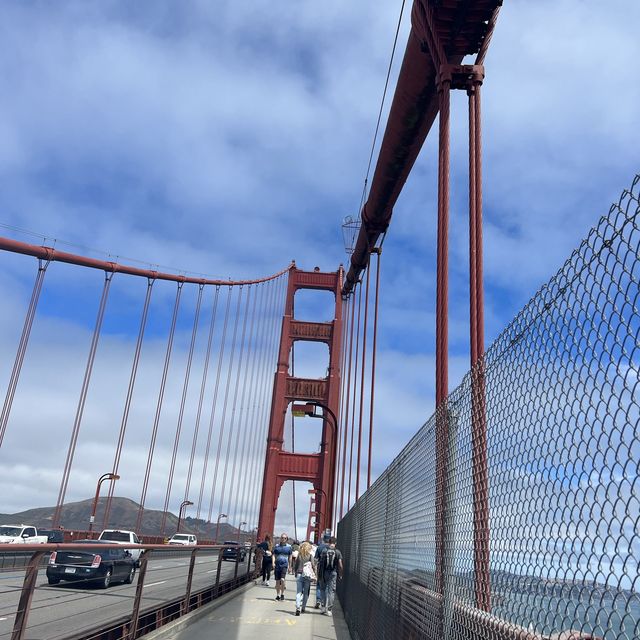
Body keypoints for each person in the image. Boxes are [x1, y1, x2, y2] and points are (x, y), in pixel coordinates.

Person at [318, 537, 343, 616]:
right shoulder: (338, 552)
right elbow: (340, 565)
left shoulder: (324, 551)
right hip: (333, 573)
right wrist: (340, 574)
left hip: (324, 572)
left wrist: (318, 574)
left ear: (329, 542)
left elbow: (320, 563)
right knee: (331, 591)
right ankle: (329, 610)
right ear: (335, 543)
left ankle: (322, 607)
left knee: (322, 589)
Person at [293, 541, 315, 615]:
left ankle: (298, 607)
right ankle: (303, 608)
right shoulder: (310, 556)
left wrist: (295, 573)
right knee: (306, 593)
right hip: (307, 576)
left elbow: (296, 566)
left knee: (299, 592)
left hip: (299, 574)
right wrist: (315, 575)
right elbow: (313, 566)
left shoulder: (299, 555)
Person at [272, 533, 292, 601]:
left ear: (287, 539)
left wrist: (290, 567)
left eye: (285, 538)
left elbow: (290, 557)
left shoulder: (289, 547)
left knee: (282, 579)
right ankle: (278, 595)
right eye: (282, 538)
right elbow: (274, 555)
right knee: (277, 581)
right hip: (277, 565)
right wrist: (273, 563)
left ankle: (282, 594)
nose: (283, 539)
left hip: (284, 565)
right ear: (280, 538)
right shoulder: (277, 546)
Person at [313, 532, 331, 608]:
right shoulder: (332, 548)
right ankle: (324, 602)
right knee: (327, 586)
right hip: (329, 569)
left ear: (323, 539)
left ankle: (318, 600)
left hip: (320, 568)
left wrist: (314, 569)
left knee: (319, 585)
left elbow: (315, 559)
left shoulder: (319, 547)